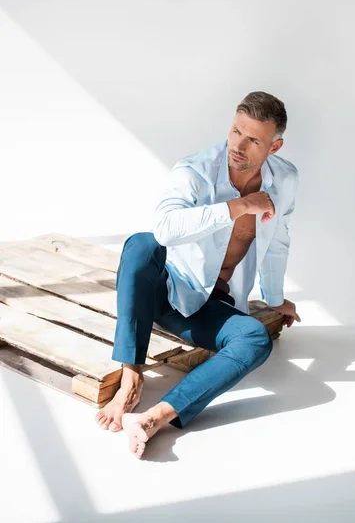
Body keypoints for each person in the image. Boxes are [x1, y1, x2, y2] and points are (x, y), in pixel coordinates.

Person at [95, 91, 301, 458]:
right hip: (168, 289)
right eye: (236, 131)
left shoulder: (284, 180)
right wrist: (239, 206)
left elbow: (279, 240)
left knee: (255, 339)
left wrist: (274, 300)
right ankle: (130, 375)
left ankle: (156, 417)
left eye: (254, 139)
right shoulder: (196, 170)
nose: (239, 145)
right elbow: (164, 229)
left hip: (213, 304)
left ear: (274, 146)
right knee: (142, 245)